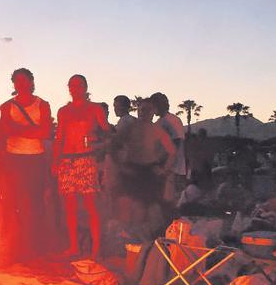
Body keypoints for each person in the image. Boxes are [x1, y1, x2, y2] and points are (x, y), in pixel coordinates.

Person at [0, 68, 54, 261]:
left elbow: (46, 132)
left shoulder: (42, 104)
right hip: (14, 159)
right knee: (14, 204)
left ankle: (36, 247)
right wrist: (32, 130)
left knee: (35, 203)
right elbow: (5, 130)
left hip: (35, 158)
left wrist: (17, 129)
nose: (21, 84)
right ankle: (17, 247)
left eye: (24, 80)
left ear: (31, 82)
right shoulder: (6, 106)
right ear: (14, 84)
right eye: (17, 81)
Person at [53, 75, 110, 259]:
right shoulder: (63, 111)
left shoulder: (95, 109)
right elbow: (59, 137)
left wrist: (98, 140)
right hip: (67, 160)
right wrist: (56, 160)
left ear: (85, 87)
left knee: (90, 205)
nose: (74, 88)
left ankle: (96, 249)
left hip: (86, 159)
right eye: (71, 85)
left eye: (78, 85)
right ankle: (74, 246)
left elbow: (107, 133)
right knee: (70, 207)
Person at [117, 98, 176, 240]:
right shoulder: (130, 128)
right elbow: (115, 145)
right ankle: (128, 238)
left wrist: (164, 169)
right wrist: (121, 165)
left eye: (147, 110)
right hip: (131, 170)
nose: (143, 113)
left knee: (148, 207)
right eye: (141, 109)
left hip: (149, 172)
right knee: (129, 206)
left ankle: (146, 239)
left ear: (154, 112)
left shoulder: (157, 130)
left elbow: (172, 151)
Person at [150, 92, 185, 205]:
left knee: (168, 201)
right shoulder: (159, 122)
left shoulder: (172, 120)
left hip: (171, 168)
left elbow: (176, 142)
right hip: (160, 167)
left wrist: (165, 164)